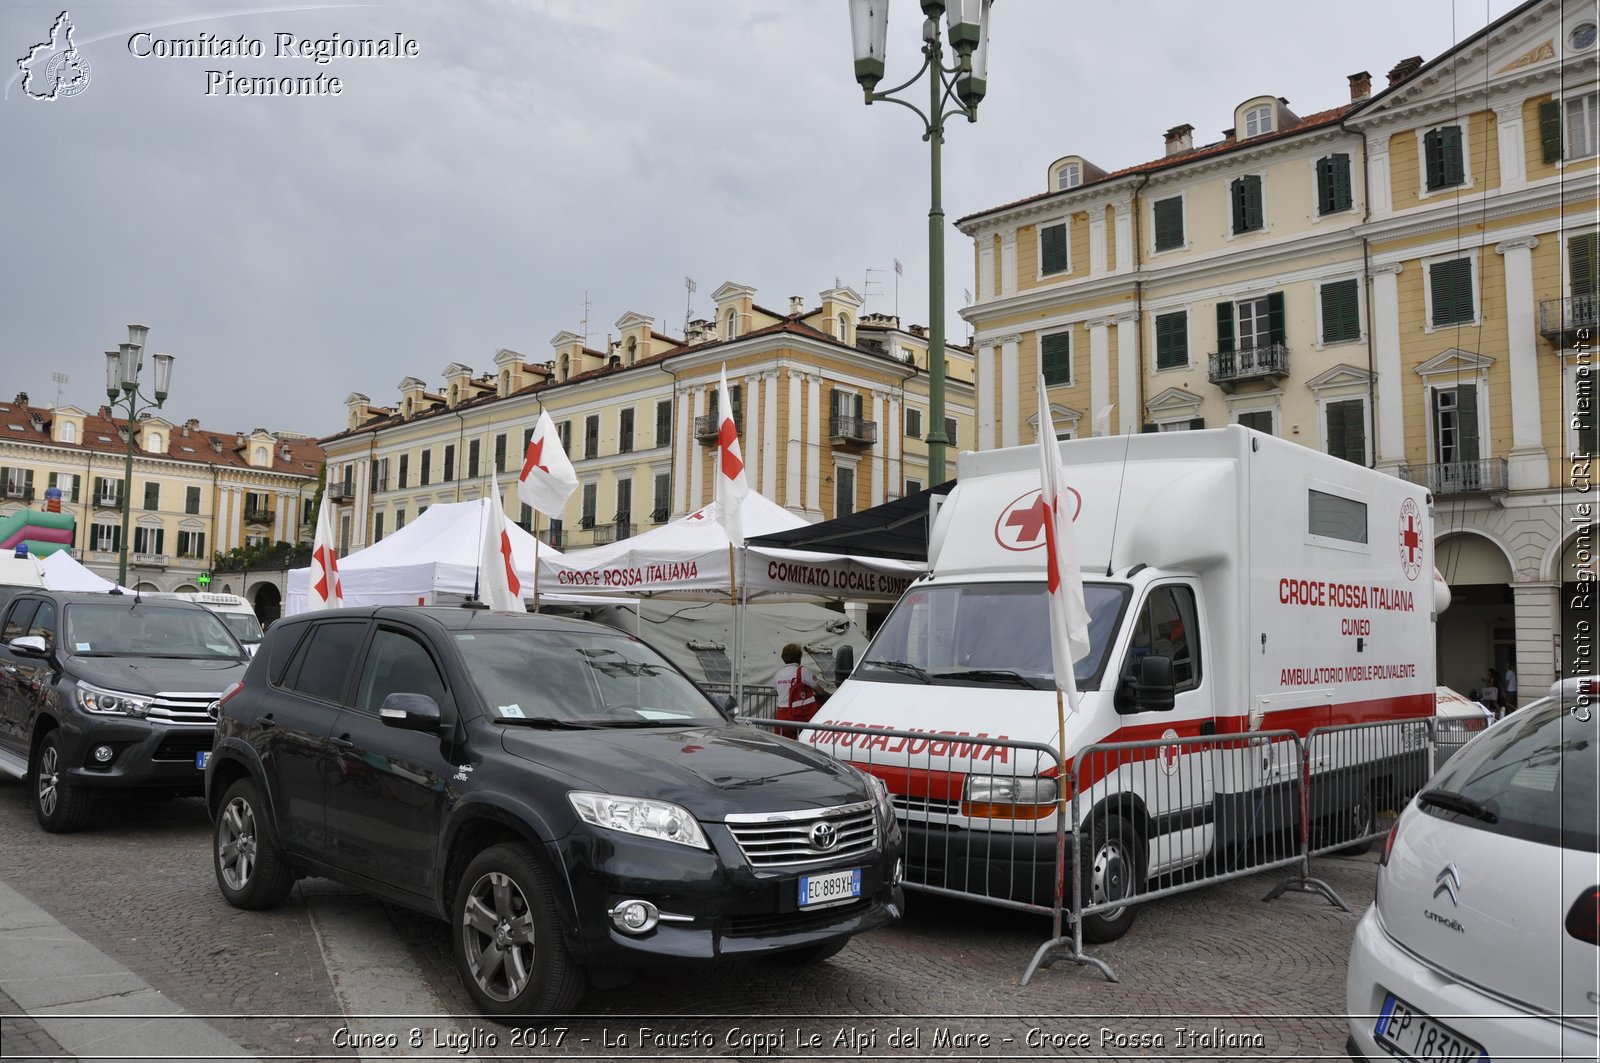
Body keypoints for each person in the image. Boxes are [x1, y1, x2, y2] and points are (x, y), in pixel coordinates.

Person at [772, 643, 825, 739]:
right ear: (799, 657)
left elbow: (777, 690)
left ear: (784, 658)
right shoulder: (803, 671)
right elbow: (820, 690)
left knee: (783, 743)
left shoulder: (778, 674)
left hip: (781, 715)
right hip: (800, 715)